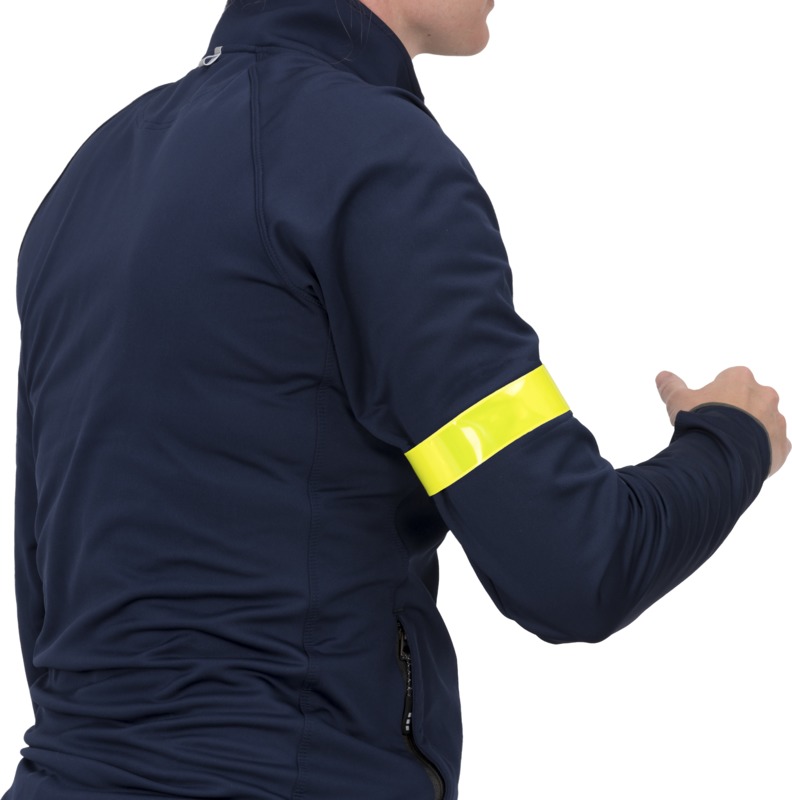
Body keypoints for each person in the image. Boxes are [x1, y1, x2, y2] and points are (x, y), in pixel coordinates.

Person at [5, 1, 788, 799]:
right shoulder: (373, 159)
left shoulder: (89, 177)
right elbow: (572, 567)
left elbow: (45, 587)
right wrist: (731, 441)